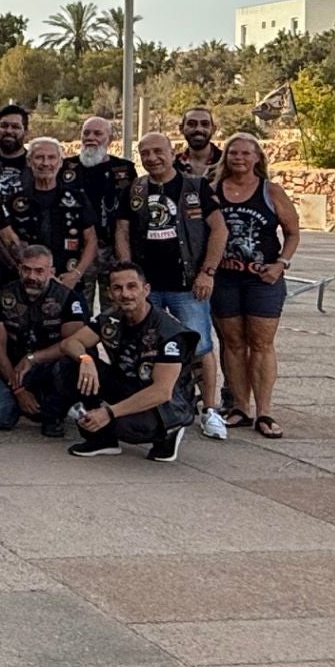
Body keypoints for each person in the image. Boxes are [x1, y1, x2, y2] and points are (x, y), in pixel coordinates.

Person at [23, 261, 199, 462]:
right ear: (109, 293)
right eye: (118, 288)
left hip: (165, 405)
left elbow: (162, 391)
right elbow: (70, 343)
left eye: (132, 286)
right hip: (128, 384)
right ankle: (102, 441)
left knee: (124, 426)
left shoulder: (169, 331)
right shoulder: (112, 318)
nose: (125, 294)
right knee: (69, 364)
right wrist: (86, 359)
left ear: (146, 289)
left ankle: (168, 433)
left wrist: (109, 412)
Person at [116, 131, 229, 441]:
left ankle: (210, 411)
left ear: (171, 152)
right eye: (145, 153)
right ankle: (157, 407)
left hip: (187, 285)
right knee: (148, 349)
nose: (152, 158)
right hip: (148, 289)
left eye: (157, 151)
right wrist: (129, 276)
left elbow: (219, 230)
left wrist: (208, 272)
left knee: (201, 347)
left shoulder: (195, 186)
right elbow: (122, 231)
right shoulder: (136, 189)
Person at [211, 133, 300, 439]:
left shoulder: (271, 192)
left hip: (262, 279)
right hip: (225, 278)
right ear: (225, 158)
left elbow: (292, 232)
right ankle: (239, 407)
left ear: (258, 158)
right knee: (233, 342)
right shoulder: (214, 191)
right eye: (233, 153)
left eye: (246, 154)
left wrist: (282, 264)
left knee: (261, 343)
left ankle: (264, 411)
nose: (239, 158)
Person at [0, 244, 88, 434]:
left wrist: (33, 358)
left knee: (70, 364)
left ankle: (54, 412)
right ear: (19, 269)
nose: (32, 277)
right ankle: (28, 403)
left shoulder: (68, 299)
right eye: (26, 269)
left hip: (52, 368)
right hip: (14, 370)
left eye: (39, 271)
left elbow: (72, 344)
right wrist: (19, 390)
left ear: (51, 271)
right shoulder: (3, 295)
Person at [0, 137, 96, 290]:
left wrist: (76, 274)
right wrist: (19, 269)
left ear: (60, 162)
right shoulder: (14, 201)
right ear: (29, 162)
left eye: (52, 157)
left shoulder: (77, 199)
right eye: (39, 157)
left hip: (66, 282)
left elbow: (91, 240)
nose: (46, 163)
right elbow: (3, 241)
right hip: (26, 283)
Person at [61, 115, 135, 298]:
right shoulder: (66, 168)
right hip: (77, 250)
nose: (90, 137)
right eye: (86, 133)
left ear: (110, 139)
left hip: (113, 248)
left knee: (115, 306)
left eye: (97, 133)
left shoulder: (125, 169)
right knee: (78, 304)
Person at [0, 103, 30, 198]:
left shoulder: (35, 166)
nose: (8, 131)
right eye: (4, 126)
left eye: (15, 127)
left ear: (26, 132)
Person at [177, 107, 225, 177]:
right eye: (191, 124)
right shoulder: (170, 166)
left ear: (213, 129)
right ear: (181, 129)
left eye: (205, 124)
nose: (198, 129)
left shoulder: (227, 163)